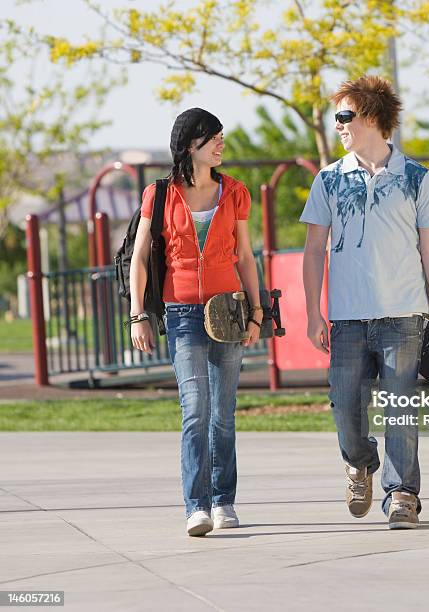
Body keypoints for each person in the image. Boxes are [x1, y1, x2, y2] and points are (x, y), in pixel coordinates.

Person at [300, 76, 429, 529]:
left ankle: (403, 494)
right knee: (346, 408)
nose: (338, 126)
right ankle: (360, 462)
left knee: (401, 407)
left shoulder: (416, 178)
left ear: (372, 117)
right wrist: (314, 312)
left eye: (345, 116)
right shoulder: (328, 180)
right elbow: (314, 250)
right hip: (347, 318)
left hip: (404, 317)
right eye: (336, 118)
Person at [129, 108, 263, 537]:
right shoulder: (160, 194)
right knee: (195, 411)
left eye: (222, 136)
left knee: (223, 414)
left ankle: (224, 500)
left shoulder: (236, 192)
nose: (222, 143)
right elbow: (139, 258)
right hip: (182, 313)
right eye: (214, 137)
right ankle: (196, 506)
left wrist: (258, 312)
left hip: (229, 311)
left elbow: (244, 256)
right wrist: (138, 314)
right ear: (191, 145)